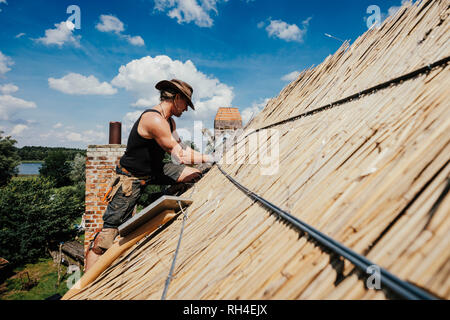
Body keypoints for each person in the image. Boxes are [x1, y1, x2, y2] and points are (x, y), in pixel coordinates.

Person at [85, 79, 215, 270]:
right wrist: (213, 157)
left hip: (155, 170)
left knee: (194, 175)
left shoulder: (169, 122)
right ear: (177, 98)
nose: (186, 109)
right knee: (105, 239)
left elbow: (181, 147)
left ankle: (161, 198)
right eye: (186, 103)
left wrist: (205, 159)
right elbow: (181, 155)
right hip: (132, 178)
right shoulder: (153, 120)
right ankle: (86, 287)